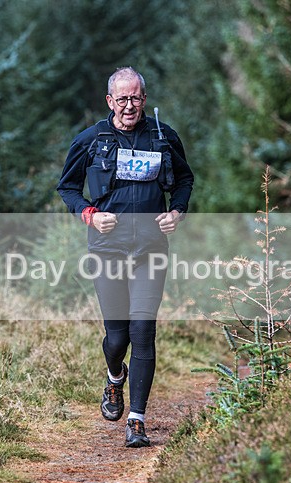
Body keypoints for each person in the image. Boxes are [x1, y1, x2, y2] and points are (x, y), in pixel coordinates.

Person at [57, 67, 194, 447]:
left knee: (143, 331)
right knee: (117, 338)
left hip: (151, 247)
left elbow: (184, 180)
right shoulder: (90, 140)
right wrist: (89, 214)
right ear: (109, 101)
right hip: (108, 249)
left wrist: (177, 211)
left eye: (135, 98)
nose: (129, 105)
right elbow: (67, 188)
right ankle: (114, 376)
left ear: (144, 99)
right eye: (122, 99)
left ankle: (137, 420)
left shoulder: (164, 137)